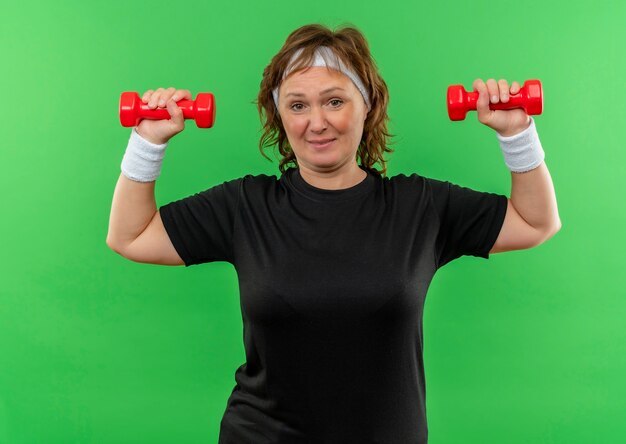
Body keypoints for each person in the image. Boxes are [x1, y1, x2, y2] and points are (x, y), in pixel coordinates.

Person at [107, 23, 561, 444]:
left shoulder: (420, 206)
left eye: (335, 101)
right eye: (298, 104)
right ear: (280, 116)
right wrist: (148, 141)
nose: (316, 122)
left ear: (368, 104)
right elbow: (132, 236)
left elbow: (535, 222)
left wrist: (516, 133)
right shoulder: (245, 206)